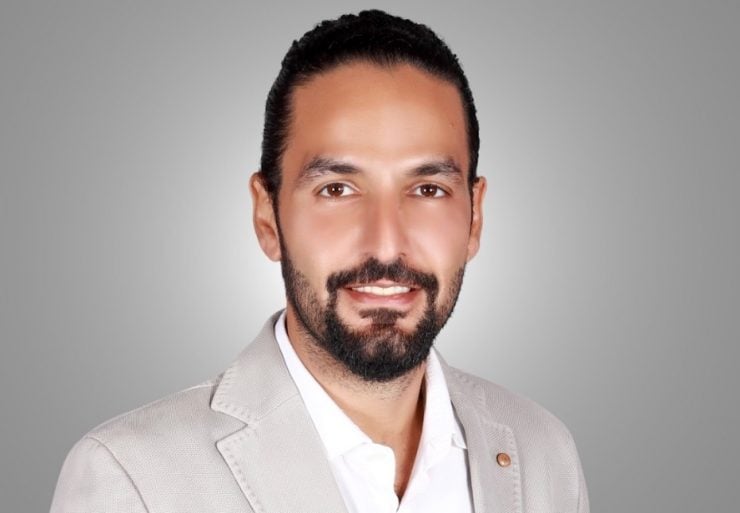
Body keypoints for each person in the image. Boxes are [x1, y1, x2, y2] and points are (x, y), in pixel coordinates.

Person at [50, 10, 589, 513]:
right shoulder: (133, 478)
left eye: (427, 189)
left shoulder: (543, 453)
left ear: (474, 218)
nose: (386, 244)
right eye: (337, 189)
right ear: (268, 217)